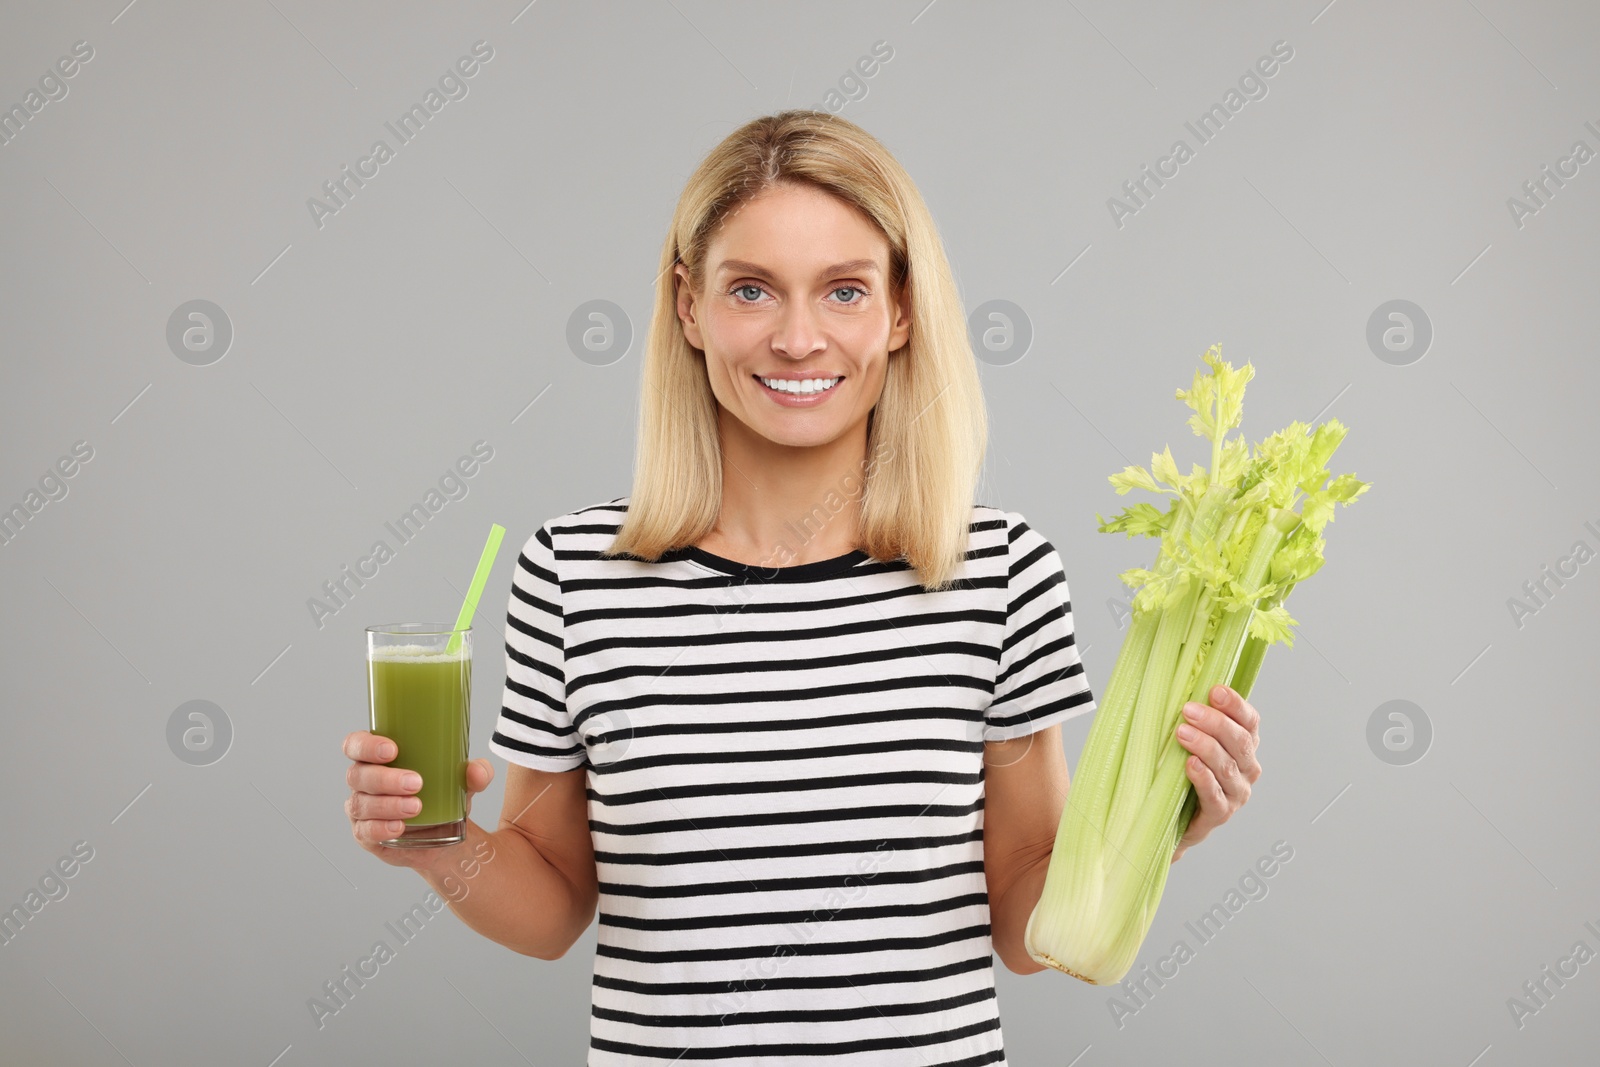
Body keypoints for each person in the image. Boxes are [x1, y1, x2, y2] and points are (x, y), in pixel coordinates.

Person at [343, 109, 1262, 1063]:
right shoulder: (574, 575)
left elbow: (1022, 914)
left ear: (900, 311)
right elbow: (551, 909)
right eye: (751, 290)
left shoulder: (997, 572)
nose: (797, 337)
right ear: (689, 307)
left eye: (844, 292)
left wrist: (1165, 824)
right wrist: (434, 843)